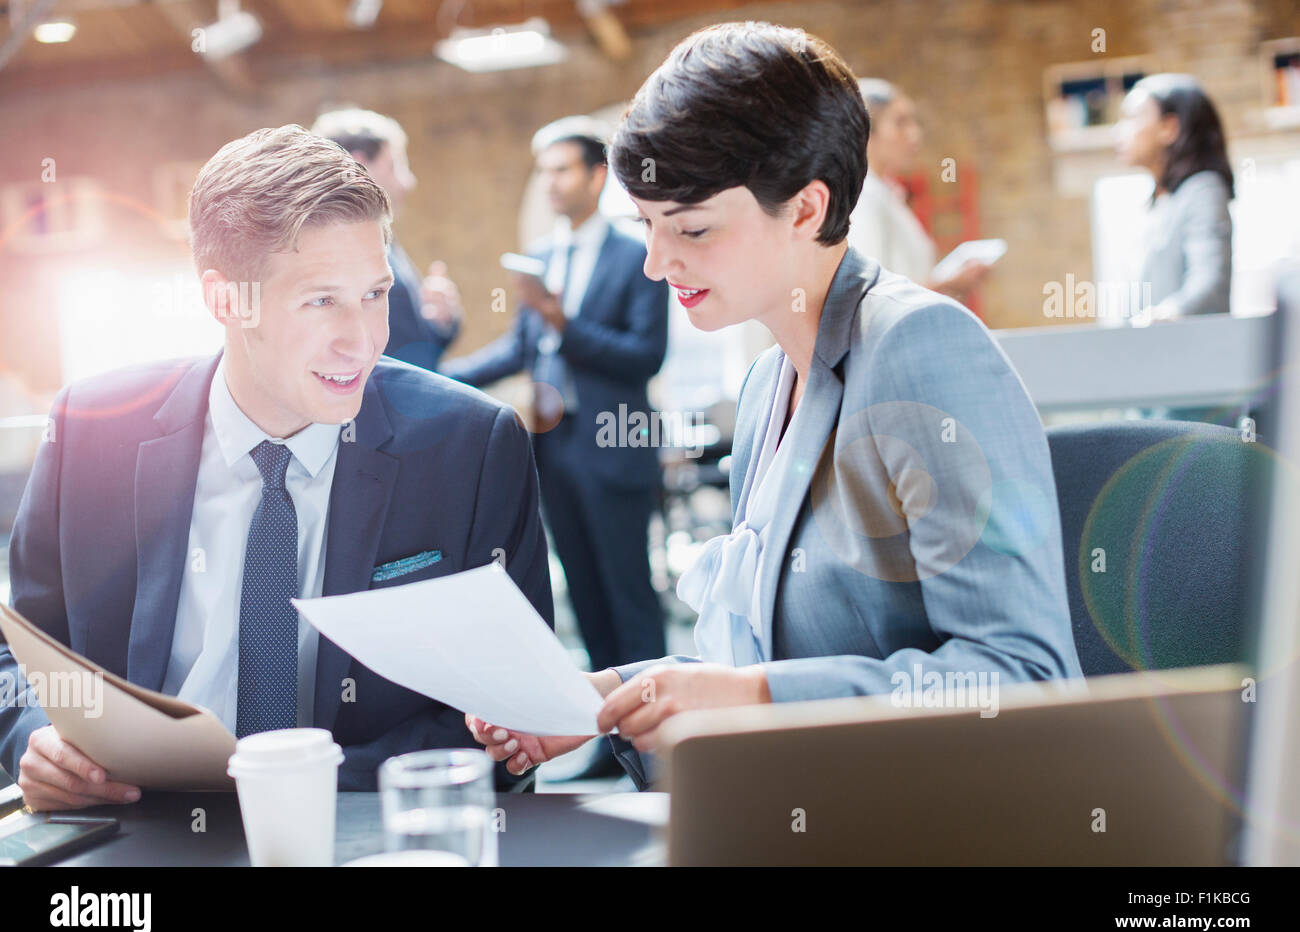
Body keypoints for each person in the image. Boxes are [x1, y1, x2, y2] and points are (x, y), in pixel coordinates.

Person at [466, 22, 1083, 787]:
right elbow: (776, 657)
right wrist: (621, 694)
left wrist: (749, 698)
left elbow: (1023, 677)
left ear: (804, 208)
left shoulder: (922, 347)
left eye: (691, 228)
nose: (659, 264)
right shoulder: (769, 383)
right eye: (647, 229)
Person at [0, 125, 552, 810]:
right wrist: (35, 737)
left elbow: (512, 708)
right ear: (225, 300)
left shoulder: (471, 446)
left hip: (360, 825)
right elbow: (18, 655)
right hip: (135, 826)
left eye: (375, 294)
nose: (364, 339)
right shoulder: (91, 430)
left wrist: (293, 789)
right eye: (322, 300)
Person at [442, 117, 669, 779]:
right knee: (586, 596)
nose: (551, 183)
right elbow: (517, 351)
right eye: (544, 172)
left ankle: (660, 746)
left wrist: (564, 325)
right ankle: (604, 735)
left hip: (614, 445)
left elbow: (644, 358)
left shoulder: (639, 255)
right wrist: (431, 378)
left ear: (598, 177)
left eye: (563, 170)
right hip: (552, 452)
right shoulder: (540, 258)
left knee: (629, 596)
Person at [311, 108, 464, 371]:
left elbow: (415, 350)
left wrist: (443, 323)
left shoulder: (384, 240)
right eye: (396, 166)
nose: (409, 182)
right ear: (360, 165)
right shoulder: (337, 255)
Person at [846, 78, 990, 302]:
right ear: (867, 131)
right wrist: (945, 284)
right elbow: (866, 293)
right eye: (900, 123)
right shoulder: (864, 196)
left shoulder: (887, 193)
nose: (914, 134)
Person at [1113, 73, 1235, 325]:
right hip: (1149, 354)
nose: (1118, 130)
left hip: (1186, 354)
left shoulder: (1203, 190)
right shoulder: (1156, 202)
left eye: (1132, 118)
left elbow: (1209, 283)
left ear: (1169, 127)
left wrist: (1159, 317)